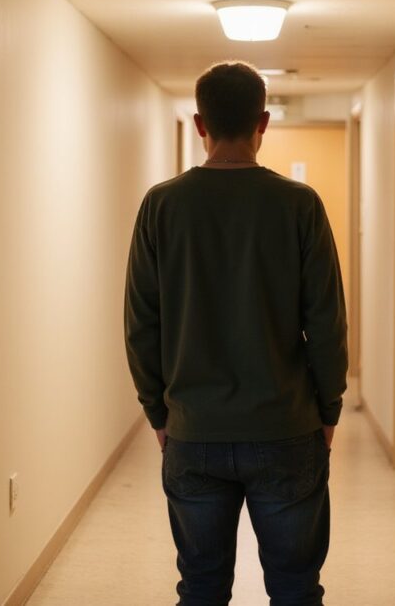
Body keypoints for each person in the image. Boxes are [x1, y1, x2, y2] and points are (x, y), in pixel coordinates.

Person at [124, 61, 348, 606]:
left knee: (200, 588)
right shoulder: (299, 205)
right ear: (263, 122)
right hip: (286, 429)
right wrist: (329, 408)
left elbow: (141, 324)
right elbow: (325, 322)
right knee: (296, 588)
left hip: (193, 431)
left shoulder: (162, 205)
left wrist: (158, 412)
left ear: (200, 123)